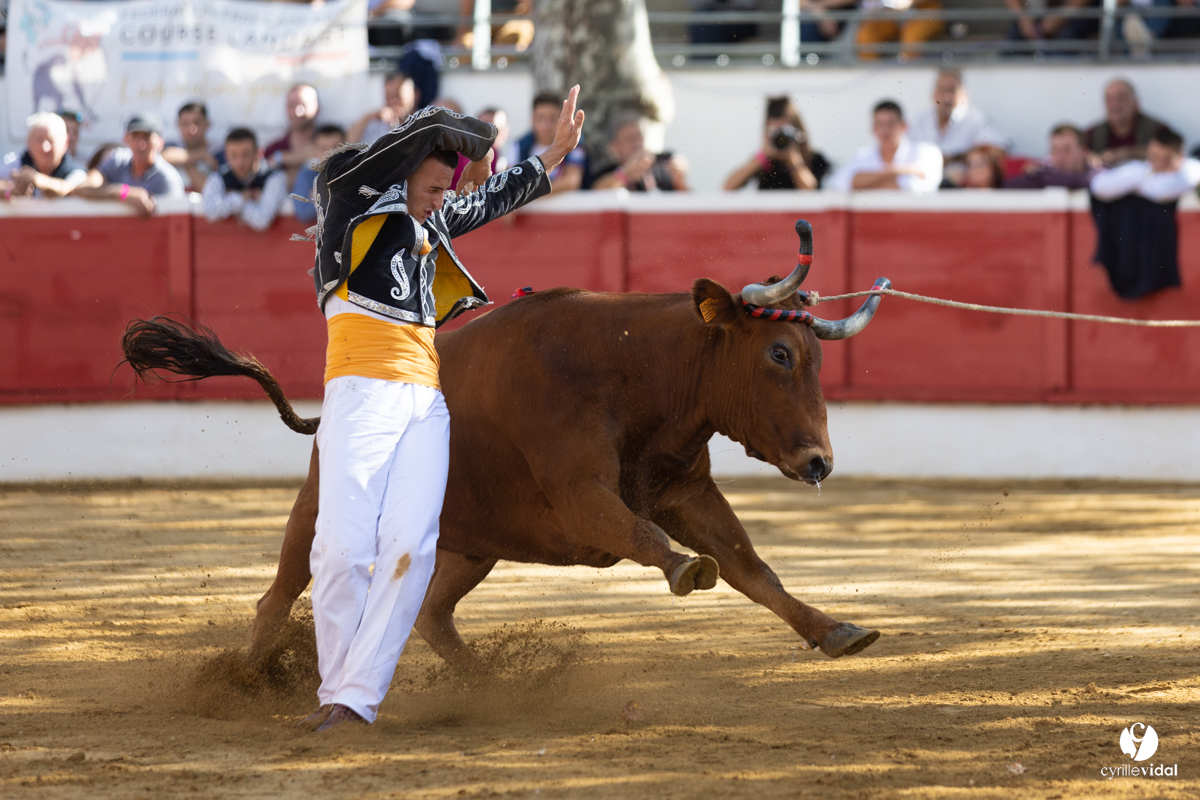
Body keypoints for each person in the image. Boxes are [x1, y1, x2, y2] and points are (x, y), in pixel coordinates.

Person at [298, 88, 585, 733]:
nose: (444, 198)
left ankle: (353, 701)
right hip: (360, 390)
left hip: (426, 400)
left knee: (411, 549)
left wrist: (553, 156)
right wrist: (476, 144)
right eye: (436, 185)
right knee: (342, 551)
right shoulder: (349, 192)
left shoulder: (432, 217)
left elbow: (499, 194)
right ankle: (337, 687)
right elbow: (436, 130)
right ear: (412, 162)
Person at [1089, 128, 1200, 299]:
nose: (1157, 163)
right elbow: (1099, 187)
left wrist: (1138, 185)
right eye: (1154, 156)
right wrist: (1141, 178)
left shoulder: (1191, 169)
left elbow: (1165, 190)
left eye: (1165, 159)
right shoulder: (1138, 170)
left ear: (1179, 158)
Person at [73, 113, 185, 216]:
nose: (141, 144)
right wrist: (123, 193)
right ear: (126, 139)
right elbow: (82, 188)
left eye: (147, 137)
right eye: (135, 136)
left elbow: (175, 219)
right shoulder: (117, 160)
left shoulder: (168, 179)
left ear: (160, 142)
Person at [908, 69, 1009, 185]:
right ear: (933, 93)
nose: (946, 97)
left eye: (952, 90)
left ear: (964, 94)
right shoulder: (920, 121)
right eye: (942, 90)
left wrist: (953, 159)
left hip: (962, 189)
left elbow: (998, 149)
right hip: (923, 187)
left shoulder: (976, 120)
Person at [826, 100, 943, 192]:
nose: (885, 130)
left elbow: (915, 188)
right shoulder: (862, 155)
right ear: (873, 128)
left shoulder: (926, 151)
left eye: (890, 123)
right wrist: (898, 171)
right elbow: (840, 184)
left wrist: (866, 183)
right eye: (879, 124)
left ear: (904, 125)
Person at [724, 96, 830, 191]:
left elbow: (811, 192)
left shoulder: (815, 159)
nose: (780, 139)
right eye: (774, 132)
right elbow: (728, 188)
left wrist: (793, 160)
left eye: (784, 132)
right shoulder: (764, 161)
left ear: (797, 132)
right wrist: (762, 157)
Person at [201, 128, 290, 232]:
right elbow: (210, 211)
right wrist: (243, 197)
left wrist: (230, 199)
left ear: (258, 153)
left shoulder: (275, 177)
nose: (240, 161)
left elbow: (262, 220)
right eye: (234, 155)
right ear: (226, 155)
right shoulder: (219, 176)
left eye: (245, 154)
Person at [506, 93, 587, 193]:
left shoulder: (574, 143)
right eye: (540, 118)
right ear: (533, 119)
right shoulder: (518, 145)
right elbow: (508, 185)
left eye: (552, 118)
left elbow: (572, 182)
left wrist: (525, 194)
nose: (546, 125)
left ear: (561, 120)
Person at [591, 112, 690, 192]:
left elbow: (688, 202)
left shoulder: (661, 167)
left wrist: (680, 179)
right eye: (630, 139)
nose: (637, 144)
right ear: (614, 146)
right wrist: (625, 174)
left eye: (639, 137)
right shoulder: (607, 172)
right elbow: (597, 192)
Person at [1085, 79, 1173, 168]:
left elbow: (1169, 153)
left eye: (1121, 98)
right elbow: (1080, 153)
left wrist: (1126, 154)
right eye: (1109, 99)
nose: (1115, 104)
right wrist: (1092, 158)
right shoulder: (1093, 133)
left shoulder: (1157, 129)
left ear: (1136, 102)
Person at [1, 112, 88, 200]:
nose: (45, 148)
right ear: (29, 142)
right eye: (39, 140)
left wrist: (36, 179)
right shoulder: (14, 163)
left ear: (65, 143)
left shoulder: (77, 171)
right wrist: (10, 190)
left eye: (51, 140)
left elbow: (67, 189)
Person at [1004, 124, 1097, 189]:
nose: (1060, 156)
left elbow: (1074, 181)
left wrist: (1039, 175)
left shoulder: (1096, 174)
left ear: (1083, 152)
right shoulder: (1043, 172)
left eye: (1067, 150)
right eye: (1055, 150)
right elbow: (1007, 186)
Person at [263, 83, 321, 184]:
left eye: (303, 105)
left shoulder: (329, 142)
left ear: (317, 107)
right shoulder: (273, 149)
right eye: (292, 105)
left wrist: (281, 157)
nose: (298, 112)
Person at [855, 0, 946, 61]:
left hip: (923, 10)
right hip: (886, 14)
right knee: (867, 34)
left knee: (912, 35)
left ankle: (911, 75)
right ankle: (871, 78)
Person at [162, 102, 223, 192]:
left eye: (197, 123)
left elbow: (209, 190)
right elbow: (163, 157)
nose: (191, 129)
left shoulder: (219, 151)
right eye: (185, 123)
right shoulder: (172, 145)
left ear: (207, 124)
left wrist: (185, 162)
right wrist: (200, 155)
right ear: (178, 125)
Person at [292, 124, 347, 224]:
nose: (330, 153)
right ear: (315, 151)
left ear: (347, 148)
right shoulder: (306, 175)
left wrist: (319, 195)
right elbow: (303, 213)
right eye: (323, 148)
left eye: (336, 147)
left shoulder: (359, 170)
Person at [348, 72, 417, 146]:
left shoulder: (425, 120)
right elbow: (348, 144)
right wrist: (368, 117)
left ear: (415, 95)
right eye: (388, 96)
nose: (393, 101)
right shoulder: (375, 123)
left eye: (398, 96)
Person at [452, 107, 509, 190]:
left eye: (493, 131)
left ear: (505, 133)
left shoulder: (506, 162)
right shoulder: (456, 149)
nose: (486, 136)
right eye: (481, 129)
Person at [1005, 0, 1099, 44]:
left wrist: (1060, 17)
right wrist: (1024, 18)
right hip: (1032, 16)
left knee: (1066, 39)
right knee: (1014, 40)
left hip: (1072, 15)